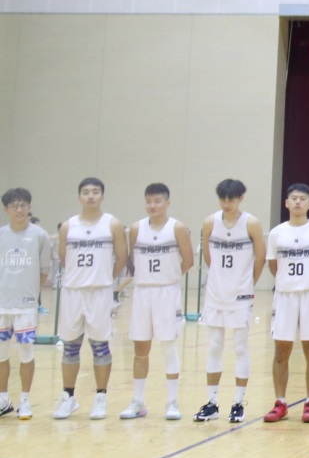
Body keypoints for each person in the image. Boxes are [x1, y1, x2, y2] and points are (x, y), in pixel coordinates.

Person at [54, 178, 128, 420]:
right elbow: (64, 259)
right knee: (70, 346)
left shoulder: (112, 224)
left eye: (95, 192)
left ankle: (101, 397)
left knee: (100, 346)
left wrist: (105, 279)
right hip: (73, 291)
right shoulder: (68, 226)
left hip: (99, 292)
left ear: (102, 197)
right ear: (79, 197)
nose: (90, 196)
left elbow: (122, 258)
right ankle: (68, 397)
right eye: (85, 192)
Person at [119, 183, 194, 421]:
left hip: (167, 292)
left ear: (167, 203)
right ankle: (138, 401)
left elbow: (188, 261)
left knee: (169, 347)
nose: (152, 205)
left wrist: (168, 277)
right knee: (140, 349)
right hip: (143, 292)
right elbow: (132, 261)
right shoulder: (136, 228)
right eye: (149, 201)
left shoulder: (177, 228)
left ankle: (172, 402)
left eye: (157, 201)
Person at [195, 179, 265, 424]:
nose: (226, 203)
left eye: (231, 199)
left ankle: (238, 403)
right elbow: (208, 257)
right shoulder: (210, 222)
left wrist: (248, 284)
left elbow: (260, 258)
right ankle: (212, 403)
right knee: (214, 345)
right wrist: (219, 279)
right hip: (215, 293)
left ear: (240, 199)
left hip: (241, 294)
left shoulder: (251, 223)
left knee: (240, 346)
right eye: (223, 199)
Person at [264, 183, 309, 424]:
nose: (297, 202)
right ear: (286, 203)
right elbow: (273, 265)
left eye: (302, 199)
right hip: (285, 295)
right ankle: (280, 403)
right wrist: (289, 281)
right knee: (281, 350)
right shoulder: (277, 233)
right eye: (293, 198)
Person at [0, 188, 51, 419]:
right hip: (2, 305)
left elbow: (43, 271)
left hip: (26, 307)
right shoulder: (1, 235)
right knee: (1, 355)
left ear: (29, 207)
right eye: (14, 206)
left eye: (23, 205)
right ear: (6, 209)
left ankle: (25, 400)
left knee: (26, 353)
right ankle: (3, 400)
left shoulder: (40, 235)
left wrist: (30, 293)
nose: (19, 210)